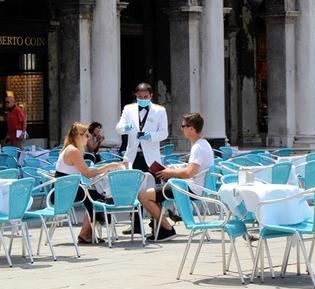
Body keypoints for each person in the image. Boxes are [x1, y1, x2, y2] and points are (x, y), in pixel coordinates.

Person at [138, 112, 214, 241]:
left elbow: (189, 173)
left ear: (191, 129)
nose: (181, 128)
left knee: (143, 196)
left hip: (190, 189)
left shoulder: (198, 147)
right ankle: (161, 226)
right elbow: (192, 169)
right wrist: (173, 170)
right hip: (193, 186)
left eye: (183, 126)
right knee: (155, 192)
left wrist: (170, 173)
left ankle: (167, 229)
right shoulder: (203, 144)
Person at [54, 122, 126, 243]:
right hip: (67, 190)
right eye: (87, 136)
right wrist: (109, 166)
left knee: (96, 196)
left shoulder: (70, 149)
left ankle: (87, 233)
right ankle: (85, 233)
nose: (89, 138)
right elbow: (87, 174)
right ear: (79, 136)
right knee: (97, 199)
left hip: (66, 187)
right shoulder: (73, 151)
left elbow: (85, 172)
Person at [115, 82, 168, 233]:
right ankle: (136, 224)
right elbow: (118, 128)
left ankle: (157, 224)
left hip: (152, 157)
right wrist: (125, 128)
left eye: (145, 96)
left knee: (154, 190)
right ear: (136, 96)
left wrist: (150, 136)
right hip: (133, 155)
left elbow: (164, 133)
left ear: (151, 96)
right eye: (139, 97)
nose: (142, 98)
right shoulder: (128, 109)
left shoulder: (159, 110)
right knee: (133, 189)